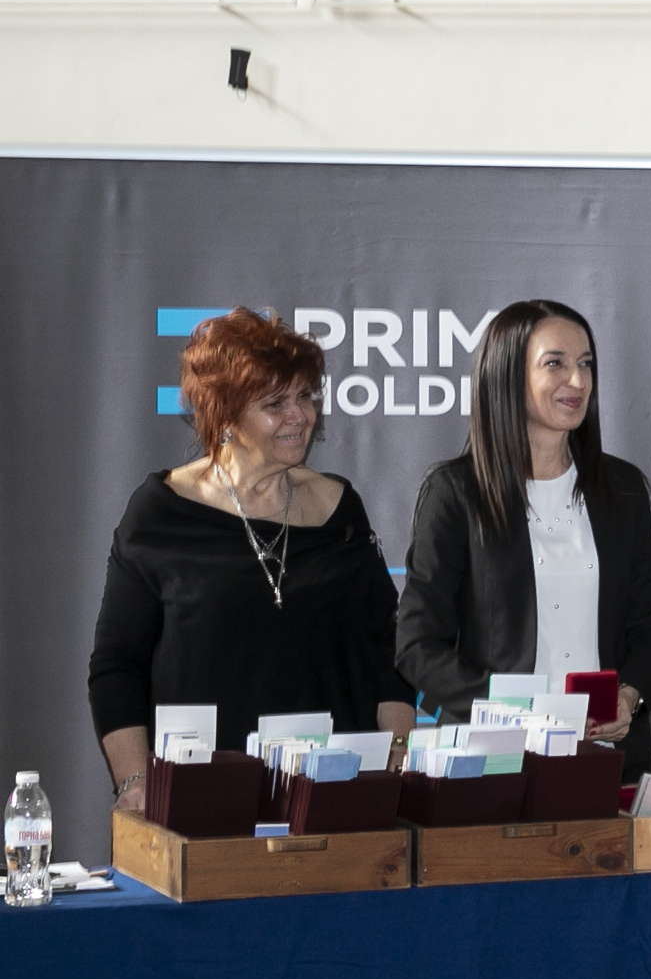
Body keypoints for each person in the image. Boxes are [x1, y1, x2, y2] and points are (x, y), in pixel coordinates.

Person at [90, 309, 415, 808]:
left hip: (332, 799)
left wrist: (397, 753)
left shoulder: (340, 507)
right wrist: (135, 783)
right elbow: (117, 665)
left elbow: (388, 651)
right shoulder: (160, 512)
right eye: (275, 403)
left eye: (305, 396)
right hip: (204, 801)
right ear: (225, 415)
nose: (299, 416)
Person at [398, 300, 651, 775]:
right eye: (555, 364)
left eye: (585, 364)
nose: (578, 381)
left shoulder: (623, 488)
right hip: (494, 764)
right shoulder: (455, 492)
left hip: (606, 763)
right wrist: (519, 715)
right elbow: (418, 645)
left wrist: (629, 697)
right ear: (508, 376)